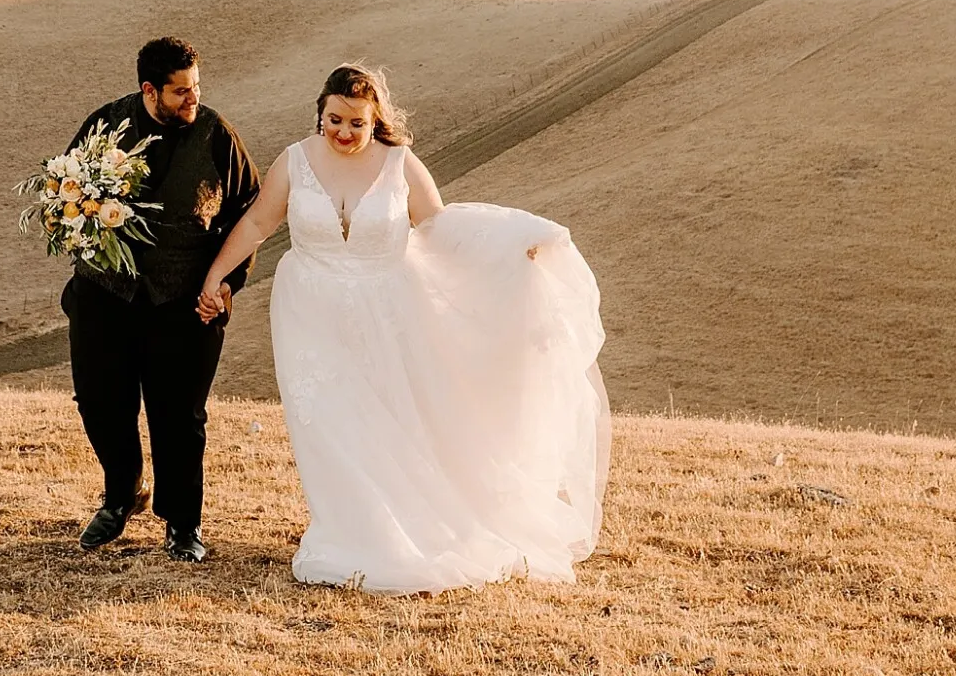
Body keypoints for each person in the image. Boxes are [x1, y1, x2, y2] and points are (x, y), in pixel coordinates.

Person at [196, 63, 609, 592]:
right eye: (334, 119)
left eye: (357, 124)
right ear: (320, 112)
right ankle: (346, 528)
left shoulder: (399, 165)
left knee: (390, 423)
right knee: (327, 424)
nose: (344, 132)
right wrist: (215, 276)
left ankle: (395, 537)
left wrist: (511, 248)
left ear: (376, 122)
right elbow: (256, 223)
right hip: (310, 313)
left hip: (388, 315)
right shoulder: (295, 161)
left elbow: (442, 229)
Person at [62, 35, 260, 563]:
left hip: (185, 303)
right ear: (149, 90)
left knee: (179, 416)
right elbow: (66, 193)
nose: (192, 100)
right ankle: (121, 493)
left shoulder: (218, 135)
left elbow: (250, 214)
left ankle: (182, 523)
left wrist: (225, 282)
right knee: (101, 403)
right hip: (104, 297)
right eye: (180, 93)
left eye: (195, 88)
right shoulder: (104, 125)